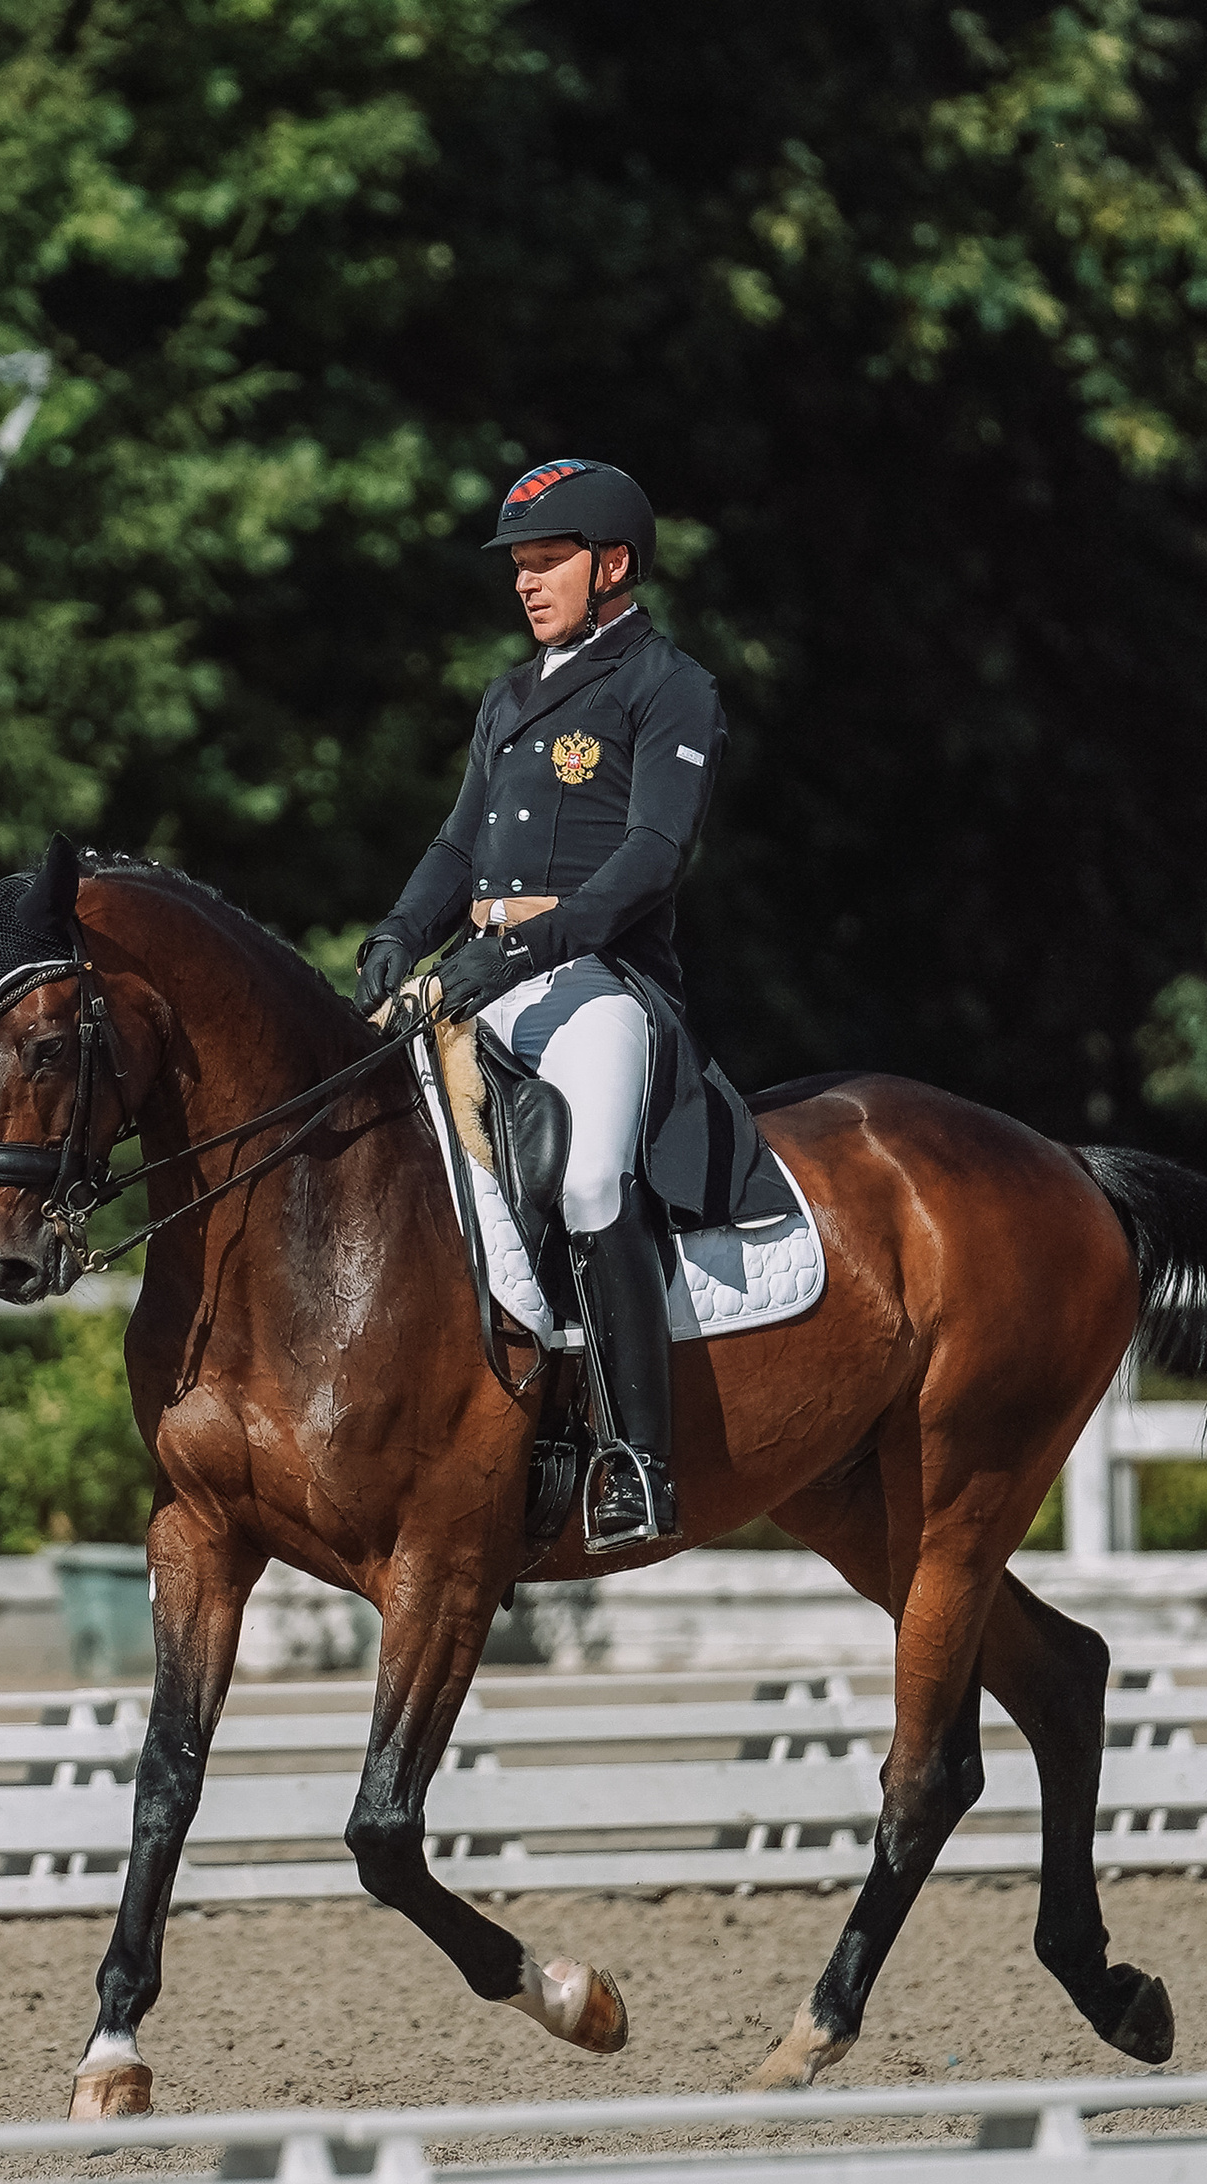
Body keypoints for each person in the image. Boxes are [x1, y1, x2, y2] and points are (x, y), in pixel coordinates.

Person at [356, 459, 791, 1553]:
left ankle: (637, 1459)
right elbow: (459, 843)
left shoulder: (668, 685)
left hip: (597, 982)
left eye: (547, 562)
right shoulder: (507, 695)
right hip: (479, 979)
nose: (526, 583)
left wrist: (519, 946)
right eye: (519, 565)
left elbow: (650, 858)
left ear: (613, 565)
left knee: (592, 1173)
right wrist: (400, 932)